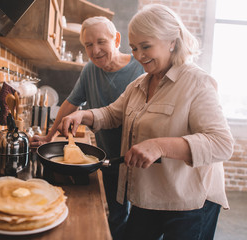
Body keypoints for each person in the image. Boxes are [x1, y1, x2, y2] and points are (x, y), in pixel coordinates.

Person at [58, 4, 234, 240]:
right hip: (149, 195)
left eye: (146, 46)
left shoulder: (197, 82)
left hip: (190, 203)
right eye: (134, 48)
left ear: (172, 41)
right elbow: (112, 114)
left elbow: (221, 143)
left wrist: (159, 146)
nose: (139, 55)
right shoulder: (140, 83)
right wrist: (83, 115)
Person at [31, 16, 144, 239]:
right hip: (108, 158)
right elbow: (71, 103)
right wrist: (48, 136)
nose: (95, 50)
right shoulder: (90, 70)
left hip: (138, 161)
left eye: (101, 41)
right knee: (115, 215)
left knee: (140, 224)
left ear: (117, 39)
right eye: (88, 45)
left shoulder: (140, 69)